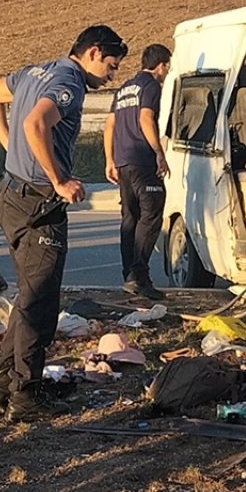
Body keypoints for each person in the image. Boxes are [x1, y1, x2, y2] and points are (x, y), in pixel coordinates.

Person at [0, 24, 127, 423]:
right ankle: (26, 395)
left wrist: (12, 149)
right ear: (93, 52)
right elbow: (35, 124)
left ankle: (5, 382)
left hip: (11, 194)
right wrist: (58, 179)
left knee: (29, 296)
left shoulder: (35, 71)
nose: (112, 76)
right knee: (41, 302)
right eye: (111, 66)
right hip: (38, 202)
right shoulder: (69, 83)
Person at [103, 44, 171, 300]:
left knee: (130, 218)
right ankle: (139, 275)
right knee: (151, 214)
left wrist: (110, 160)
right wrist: (158, 152)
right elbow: (145, 118)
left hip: (123, 162)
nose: (167, 72)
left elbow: (109, 126)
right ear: (161, 65)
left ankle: (129, 275)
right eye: (167, 66)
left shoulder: (124, 88)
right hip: (142, 159)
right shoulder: (150, 86)